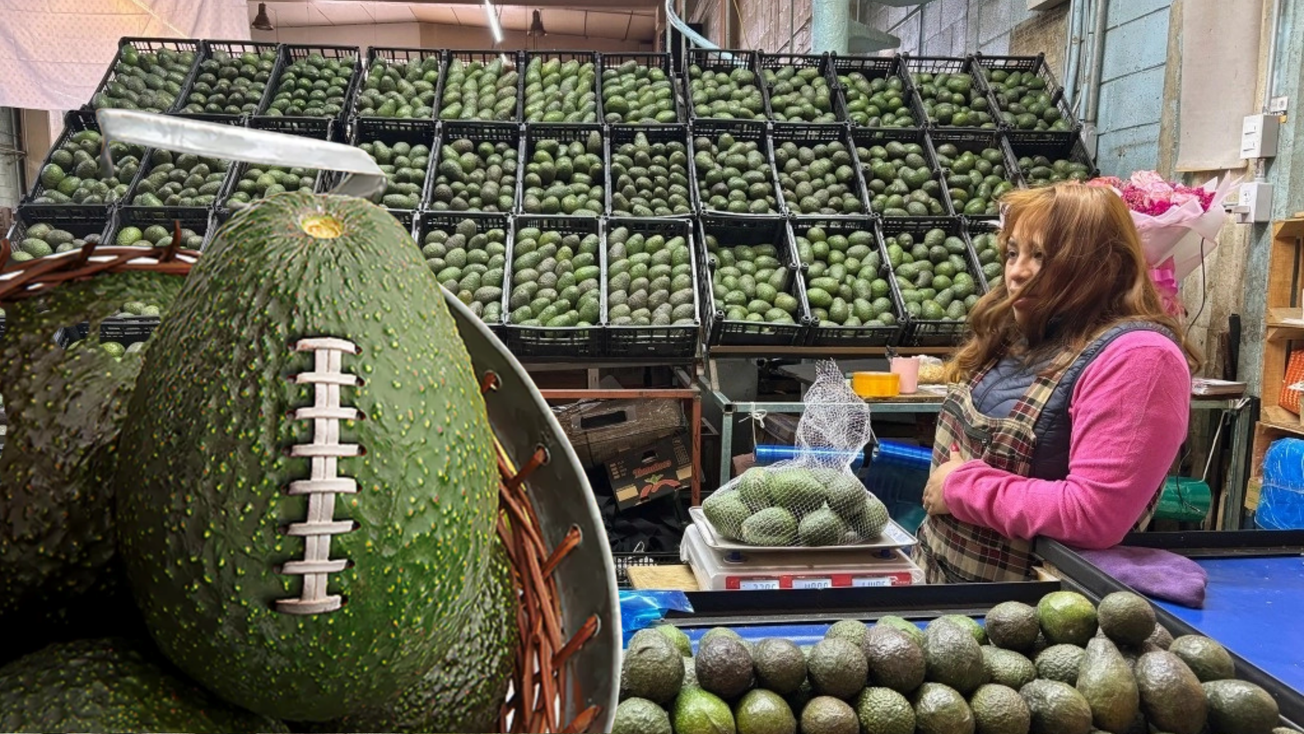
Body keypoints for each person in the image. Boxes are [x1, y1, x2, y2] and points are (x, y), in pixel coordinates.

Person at [913, 182, 1200, 584]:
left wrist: (962, 487)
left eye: (1042, 256)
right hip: (942, 585)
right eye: (1013, 253)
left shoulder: (1140, 359)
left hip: (1027, 619)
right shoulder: (1028, 334)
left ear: (1102, 264)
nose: (1017, 271)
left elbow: (1093, 515)